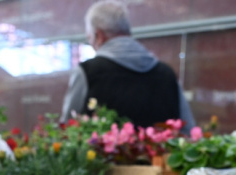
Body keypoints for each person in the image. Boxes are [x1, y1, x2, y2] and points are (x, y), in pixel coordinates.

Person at [61, 0, 195, 134]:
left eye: (89, 39)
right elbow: (188, 130)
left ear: (98, 36)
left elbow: (67, 129)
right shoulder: (166, 74)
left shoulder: (87, 73)